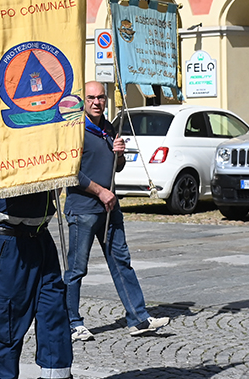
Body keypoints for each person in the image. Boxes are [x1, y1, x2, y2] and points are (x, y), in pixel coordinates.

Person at [0, 181, 102, 379]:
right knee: (7, 316)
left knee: (54, 310)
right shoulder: (1, 143)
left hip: (40, 236)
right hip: (8, 239)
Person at [64, 81, 170, 342]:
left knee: (122, 262)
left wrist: (119, 154)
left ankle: (138, 318)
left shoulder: (109, 128)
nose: (97, 102)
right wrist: (100, 191)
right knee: (77, 269)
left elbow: (117, 168)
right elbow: (69, 173)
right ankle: (72, 322)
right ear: (83, 100)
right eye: (91, 98)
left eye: (100, 97)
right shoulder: (74, 130)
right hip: (83, 209)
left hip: (110, 208)